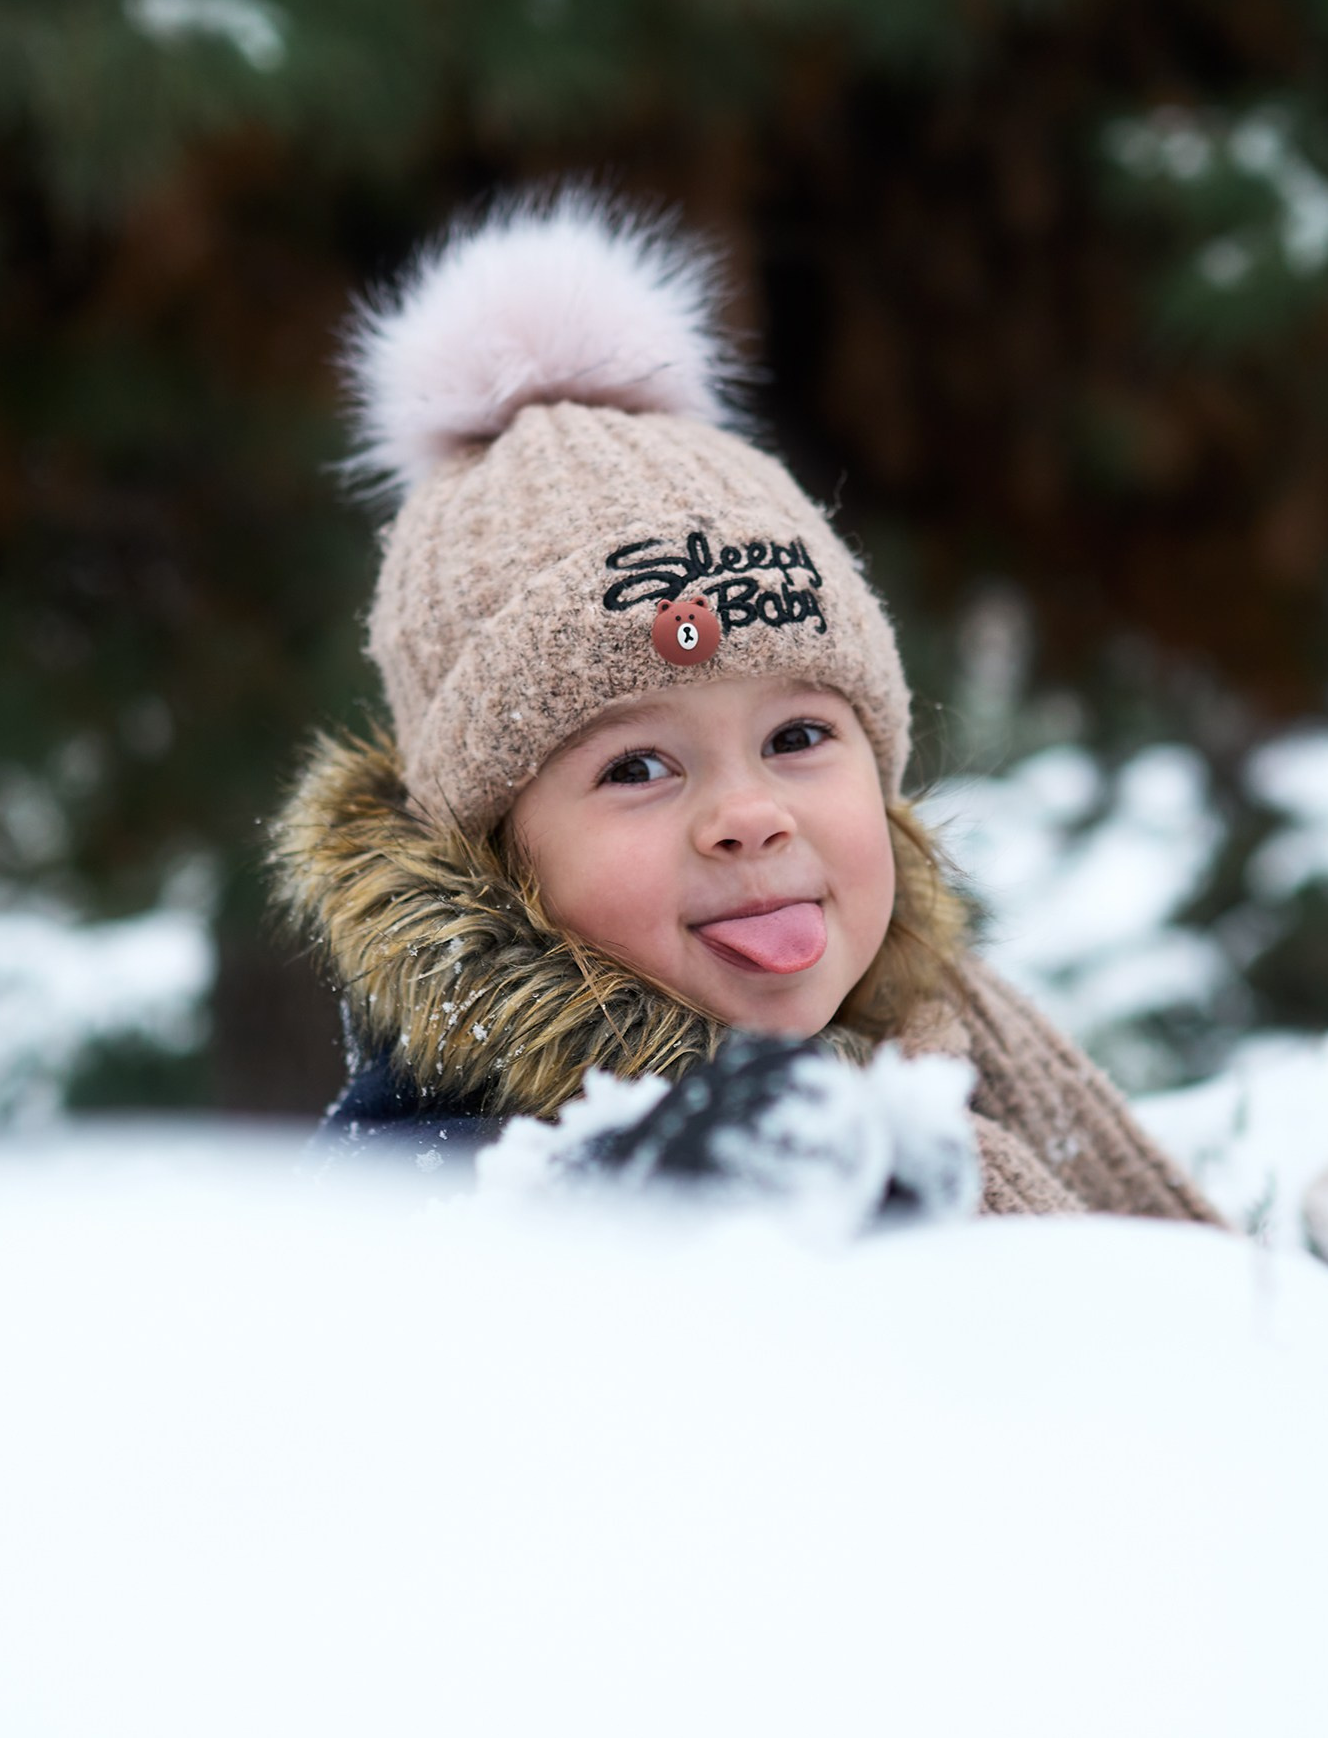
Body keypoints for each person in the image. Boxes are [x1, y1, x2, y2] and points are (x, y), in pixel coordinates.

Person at [271, 190, 1222, 1223]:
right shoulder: (465, 1156)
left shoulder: (948, 1043)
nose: (750, 816)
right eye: (637, 767)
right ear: (493, 857)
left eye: (798, 737)